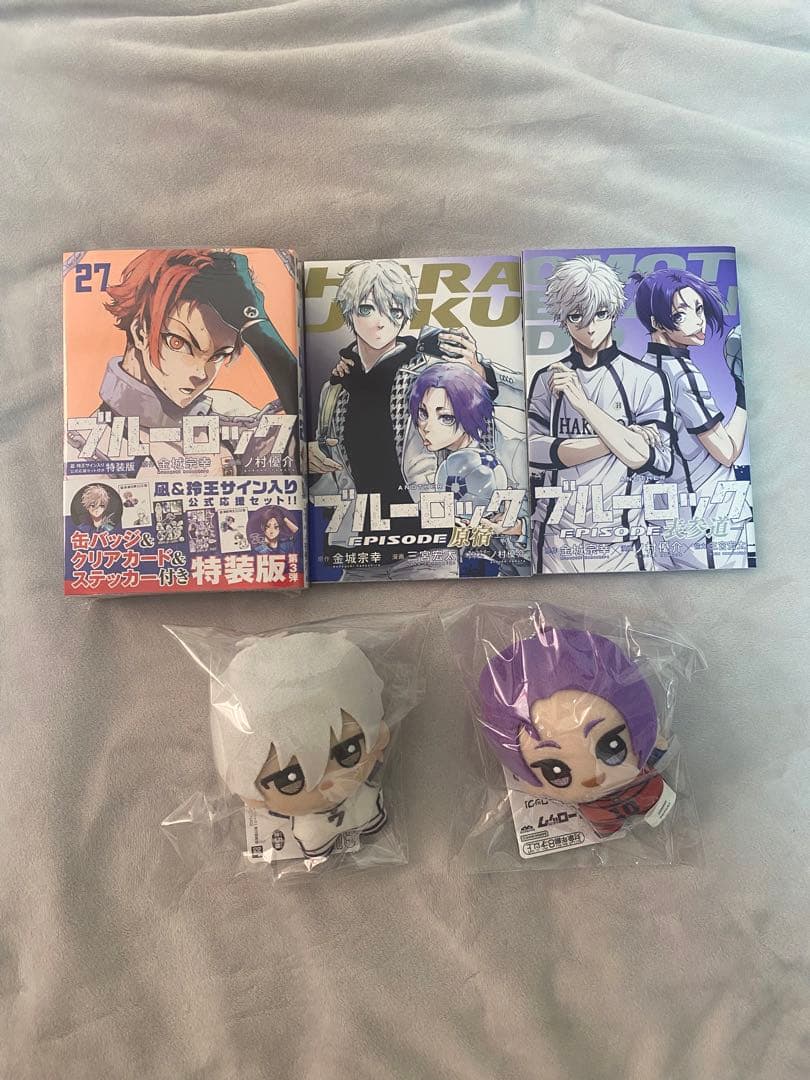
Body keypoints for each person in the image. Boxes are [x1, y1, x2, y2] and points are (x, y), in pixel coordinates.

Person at [308, 259, 525, 578]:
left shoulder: (429, 372)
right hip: (361, 551)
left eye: (395, 312)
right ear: (349, 311)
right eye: (367, 309)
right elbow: (334, 476)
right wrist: (312, 463)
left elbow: (528, 397)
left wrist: (481, 371)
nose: (381, 322)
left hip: (428, 547)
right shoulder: (335, 390)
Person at [66, 249, 298, 476]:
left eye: (218, 355)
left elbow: (307, 463)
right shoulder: (87, 446)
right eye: (179, 343)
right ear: (140, 331)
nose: (201, 373)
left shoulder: (230, 410)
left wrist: (257, 327)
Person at [527, 256, 672, 573]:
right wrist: (621, 439)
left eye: (600, 313)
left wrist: (584, 405)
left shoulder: (645, 378)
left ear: (614, 312)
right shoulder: (548, 378)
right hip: (555, 541)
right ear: (563, 319)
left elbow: (657, 461)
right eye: (576, 316)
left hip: (623, 543)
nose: (590, 326)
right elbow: (532, 452)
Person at [218, 634, 390, 858]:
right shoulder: (308, 828)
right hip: (314, 831)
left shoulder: (365, 799)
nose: (325, 782)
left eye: (349, 752)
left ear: (379, 738)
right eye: (290, 780)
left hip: (362, 807)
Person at [631, 267, 752, 569]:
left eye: (699, 309)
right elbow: (727, 452)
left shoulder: (641, 367)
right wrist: (742, 392)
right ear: (656, 322)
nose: (699, 321)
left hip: (662, 519)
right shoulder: (683, 375)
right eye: (681, 314)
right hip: (706, 517)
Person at [408, 362, 526, 575]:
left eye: (445, 417)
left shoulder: (512, 452)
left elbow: (545, 527)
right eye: (423, 413)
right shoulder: (425, 459)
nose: (426, 427)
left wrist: (518, 528)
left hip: (513, 573)